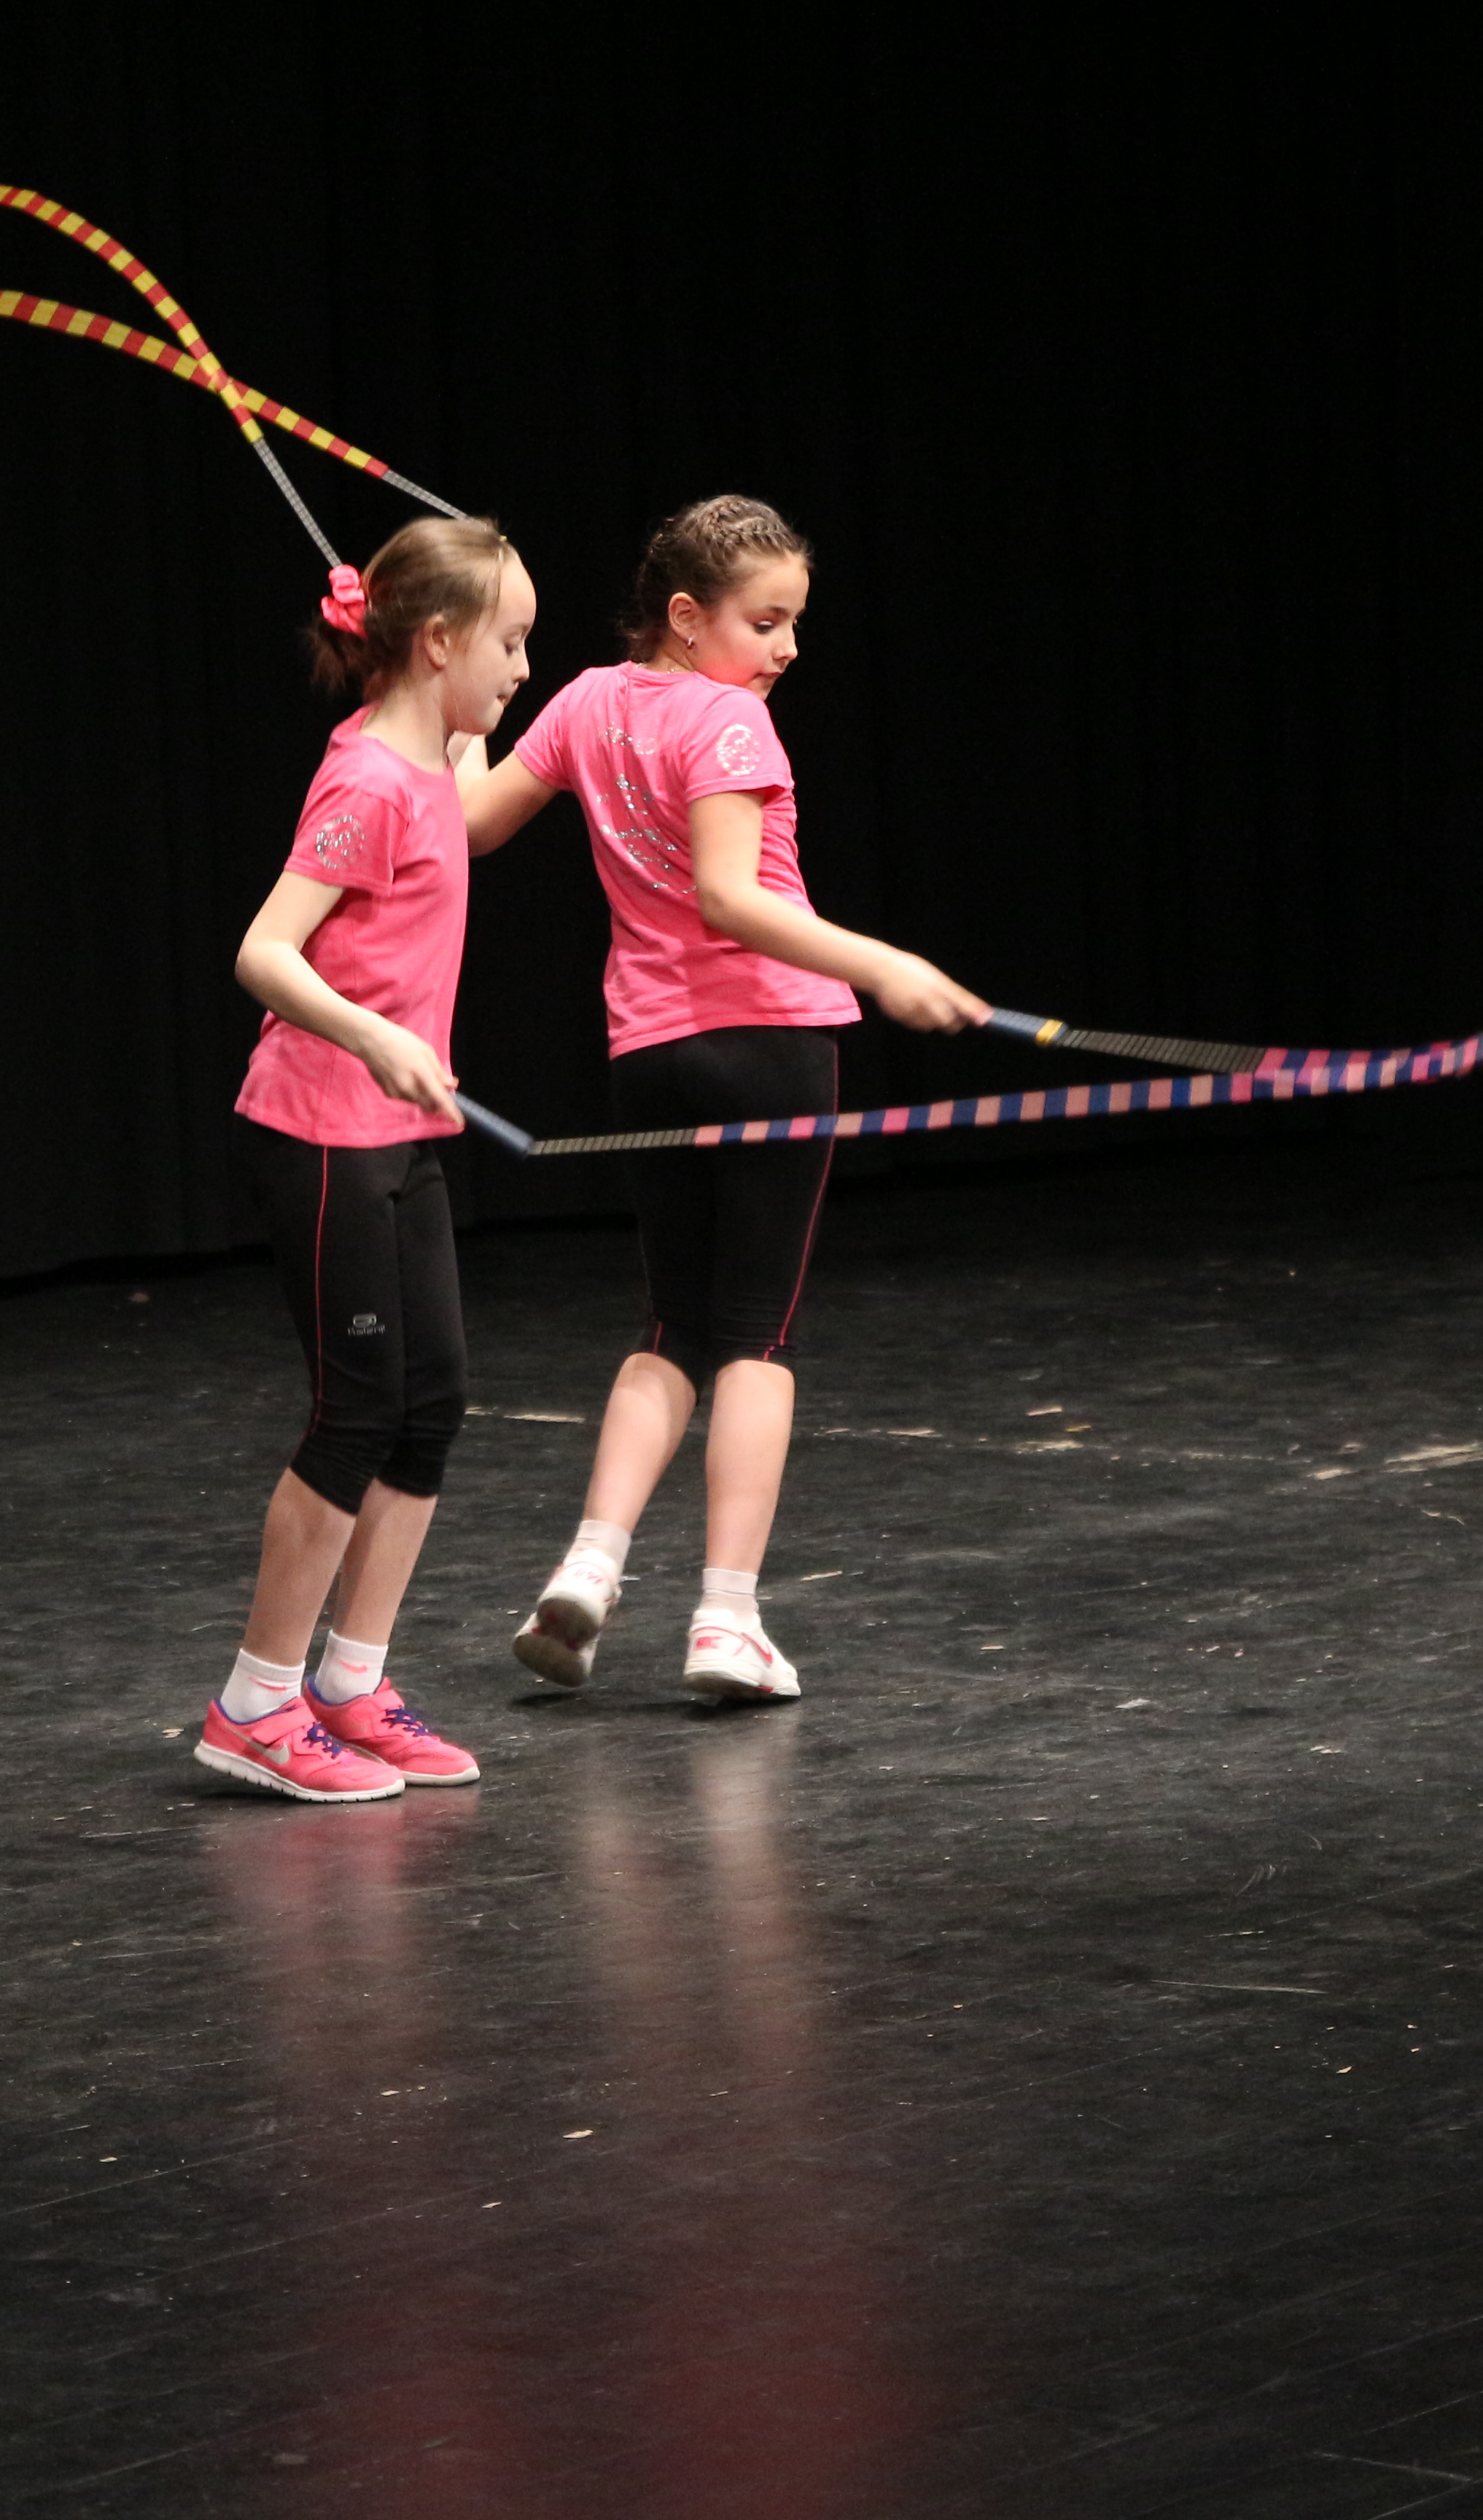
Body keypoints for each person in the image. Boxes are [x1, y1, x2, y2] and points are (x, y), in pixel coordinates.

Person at [460, 495, 986, 1703]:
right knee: (755, 1338)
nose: (787, 648)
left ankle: (590, 1570)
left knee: (672, 1330)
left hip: (650, 1052)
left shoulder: (585, 701)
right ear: (689, 616)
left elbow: (471, 826)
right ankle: (726, 1620)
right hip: (768, 1044)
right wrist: (886, 965)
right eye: (766, 622)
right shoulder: (731, 720)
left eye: (795, 622)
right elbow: (730, 899)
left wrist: (453, 717)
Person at [200, 518, 537, 1801]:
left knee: (430, 1405)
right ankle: (254, 1705)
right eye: (509, 644)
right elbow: (265, 952)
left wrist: (473, 581)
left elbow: (472, 798)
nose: (523, 670)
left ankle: (349, 1682)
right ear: (438, 643)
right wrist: (377, 1035)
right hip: (323, 1131)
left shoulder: (437, 753)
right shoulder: (367, 784)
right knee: (355, 1417)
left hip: (402, 1134)